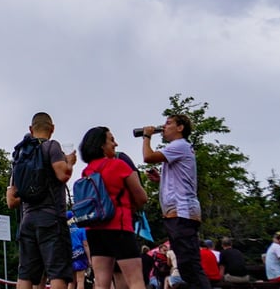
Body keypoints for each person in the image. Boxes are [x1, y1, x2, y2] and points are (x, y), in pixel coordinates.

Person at [6, 112, 76, 289]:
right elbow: (63, 174)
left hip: (27, 221)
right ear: (52, 129)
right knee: (57, 272)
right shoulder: (52, 146)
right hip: (51, 218)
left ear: (31, 129)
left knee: (26, 274)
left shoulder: (20, 155)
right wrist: (70, 162)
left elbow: (11, 201)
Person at [142, 116, 210, 289]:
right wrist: (160, 178)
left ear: (180, 128)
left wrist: (147, 136)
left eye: (169, 123)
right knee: (185, 264)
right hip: (177, 213)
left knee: (189, 263)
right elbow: (179, 179)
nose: (163, 127)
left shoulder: (179, 145)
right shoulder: (178, 148)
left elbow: (148, 157)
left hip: (182, 212)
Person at [78, 126, 148, 289]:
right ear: (101, 145)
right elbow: (142, 197)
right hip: (120, 228)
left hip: (94, 230)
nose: (115, 144)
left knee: (102, 283)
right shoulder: (119, 165)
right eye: (111, 140)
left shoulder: (86, 171)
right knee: (135, 280)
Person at [66, 211, 90, 289]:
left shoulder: (64, 231)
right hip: (80, 256)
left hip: (68, 257)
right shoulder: (81, 229)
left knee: (71, 282)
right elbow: (85, 244)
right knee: (80, 281)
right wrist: (89, 258)